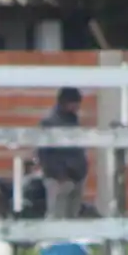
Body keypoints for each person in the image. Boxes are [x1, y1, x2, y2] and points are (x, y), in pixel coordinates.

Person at [36, 87, 89, 219]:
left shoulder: (73, 121)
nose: (76, 106)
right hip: (59, 179)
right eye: (74, 103)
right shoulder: (51, 123)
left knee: (72, 215)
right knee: (57, 215)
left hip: (75, 177)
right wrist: (59, 175)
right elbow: (45, 154)